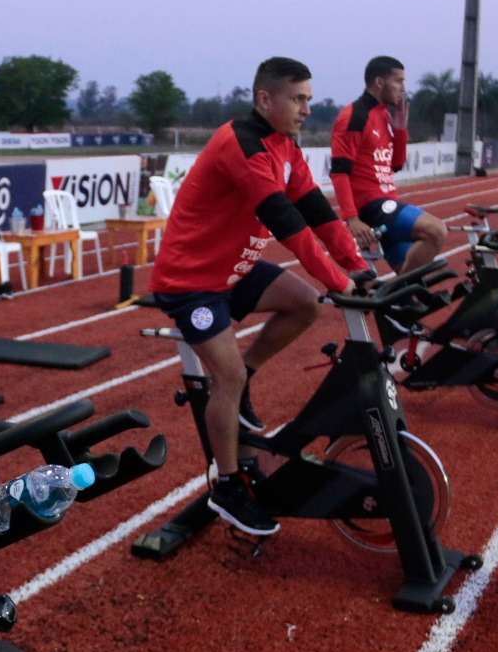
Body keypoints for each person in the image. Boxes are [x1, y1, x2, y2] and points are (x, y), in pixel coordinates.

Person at [150, 56, 367, 537]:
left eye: (309, 99)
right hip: (191, 281)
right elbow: (287, 224)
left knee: (305, 303)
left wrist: (354, 265)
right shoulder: (242, 145)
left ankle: (247, 375)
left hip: (234, 270)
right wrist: (338, 280)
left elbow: (314, 208)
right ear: (264, 99)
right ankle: (226, 487)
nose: (307, 109)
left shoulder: (285, 145)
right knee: (222, 378)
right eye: (297, 99)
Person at [329, 55, 447, 272]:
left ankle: (398, 299)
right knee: (436, 231)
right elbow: (339, 172)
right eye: (398, 81)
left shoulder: (384, 115)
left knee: (414, 284)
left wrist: (401, 130)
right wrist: (352, 219)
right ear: (379, 82)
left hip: (387, 203)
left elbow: (396, 165)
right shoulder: (355, 116)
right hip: (372, 208)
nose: (403, 88)